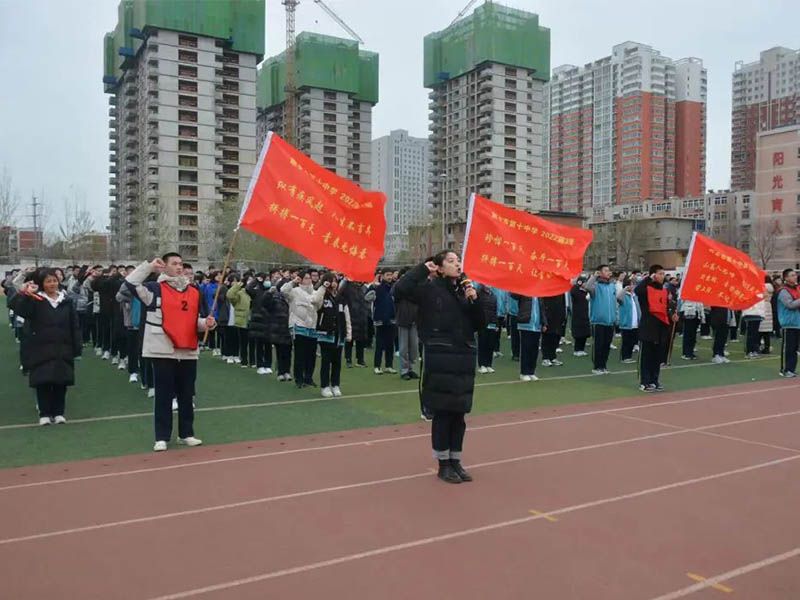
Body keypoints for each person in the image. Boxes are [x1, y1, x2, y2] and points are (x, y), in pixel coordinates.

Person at [394, 251, 484, 484]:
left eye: (458, 261)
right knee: (443, 414)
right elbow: (401, 289)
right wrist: (424, 269)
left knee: (459, 415)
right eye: (451, 261)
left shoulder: (463, 291)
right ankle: (443, 463)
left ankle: (456, 460)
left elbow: (480, 324)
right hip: (441, 357)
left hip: (463, 358)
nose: (457, 265)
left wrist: (475, 300)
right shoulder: (428, 289)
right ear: (440, 267)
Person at [124, 253, 216, 452]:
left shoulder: (193, 291)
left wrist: (206, 324)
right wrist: (149, 267)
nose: (179, 267)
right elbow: (130, 283)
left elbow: (195, 320)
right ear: (164, 267)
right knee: (163, 395)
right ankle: (162, 436)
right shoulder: (153, 289)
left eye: (181, 264)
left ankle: (186, 433)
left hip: (188, 349)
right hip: (163, 349)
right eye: (174, 264)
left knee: (186, 394)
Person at [11, 269, 82, 425]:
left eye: (54, 281)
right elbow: (18, 308)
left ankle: (58, 413)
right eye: (48, 281)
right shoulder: (36, 300)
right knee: (43, 381)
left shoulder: (66, 301)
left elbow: (74, 325)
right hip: (40, 347)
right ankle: (44, 414)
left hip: (63, 347)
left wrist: (77, 346)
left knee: (60, 381)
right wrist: (26, 294)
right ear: (42, 284)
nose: (52, 284)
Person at [635, 265, 678, 392]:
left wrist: (672, 315)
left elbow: (667, 307)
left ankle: (654, 380)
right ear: (653, 275)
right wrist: (648, 279)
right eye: (659, 273)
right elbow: (638, 291)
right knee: (646, 355)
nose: (662, 276)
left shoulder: (665, 291)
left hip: (661, 327)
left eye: (663, 273)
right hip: (648, 326)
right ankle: (644, 382)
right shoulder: (645, 289)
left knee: (657, 356)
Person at [282, 270, 326, 388]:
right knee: (300, 354)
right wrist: (293, 281)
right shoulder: (295, 291)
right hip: (298, 325)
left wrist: (322, 289)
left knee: (311, 355)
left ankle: (308, 377)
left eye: (310, 278)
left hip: (311, 326)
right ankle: (299, 379)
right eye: (306, 278)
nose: (308, 280)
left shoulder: (315, 293)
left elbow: (318, 304)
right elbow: (283, 290)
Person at [316, 274, 351, 398]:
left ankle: (335, 384)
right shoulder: (322, 296)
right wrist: (322, 288)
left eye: (335, 281)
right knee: (326, 361)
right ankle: (324, 386)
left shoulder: (341, 298)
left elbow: (346, 316)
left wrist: (348, 333)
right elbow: (315, 302)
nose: (333, 283)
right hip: (325, 333)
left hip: (339, 334)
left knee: (337, 362)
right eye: (330, 281)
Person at [584, 265, 619, 374]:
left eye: (609, 270)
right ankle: (596, 367)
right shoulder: (596, 286)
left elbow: (615, 302)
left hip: (610, 321)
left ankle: (603, 366)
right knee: (598, 344)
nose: (609, 272)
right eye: (606, 270)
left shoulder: (612, 286)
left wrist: (615, 317)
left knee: (606, 345)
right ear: (600, 272)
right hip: (598, 321)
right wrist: (594, 276)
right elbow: (587, 287)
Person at [392, 267, 420, 380]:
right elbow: (394, 293)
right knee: (403, 348)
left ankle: (412, 369)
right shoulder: (398, 288)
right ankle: (404, 370)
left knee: (414, 347)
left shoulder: (416, 287)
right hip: (403, 320)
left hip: (414, 320)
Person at [512, 293, 546, 382]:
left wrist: (544, 323)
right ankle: (524, 372)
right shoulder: (524, 291)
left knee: (534, 350)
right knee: (526, 348)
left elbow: (542, 309)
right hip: (526, 324)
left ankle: (531, 372)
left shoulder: (539, 294)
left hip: (537, 326)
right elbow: (513, 295)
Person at [370, 269, 397, 375]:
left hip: (392, 318)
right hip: (380, 319)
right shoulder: (377, 287)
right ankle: (377, 366)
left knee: (390, 344)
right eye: (387, 275)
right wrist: (372, 287)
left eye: (391, 274)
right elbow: (368, 298)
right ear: (382, 276)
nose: (390, 277)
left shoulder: (393, 287)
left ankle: (388, 366)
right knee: (380, 344)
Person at [776, 268, 800, 377]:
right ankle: (785, 369)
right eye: (792, 275)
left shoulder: (797, 289)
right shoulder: (783, 291)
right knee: (789, 348)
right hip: (788, 323)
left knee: (795, 348)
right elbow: (790, 305)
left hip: (797, 323)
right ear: (786, 278)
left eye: (795, 275)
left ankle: (791, 369)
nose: (795, 277)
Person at [475, 283, 499, 373]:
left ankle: (489, 364)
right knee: (482, 344)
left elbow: (495, 310)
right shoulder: (479, 294)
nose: (488, 285)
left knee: (490, 344)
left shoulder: (493, 296)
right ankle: (482, 365)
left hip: (492, 323)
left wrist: (496, 324)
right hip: (483, 323)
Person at [617, 277, 641, 363]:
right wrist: (625, 289)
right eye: (631, 284)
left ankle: (629, 356)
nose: (633, 286)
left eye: (633, 284)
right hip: (626, 323)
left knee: (632, 341)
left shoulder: (634, 296)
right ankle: (624, 357)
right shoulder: (624, 296)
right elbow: (618, 298)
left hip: (635, 323)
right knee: (626, 341)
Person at [540, 294, 566, 367]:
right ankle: (545, 358)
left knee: (556, 335)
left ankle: (553, 357)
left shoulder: (560, 289)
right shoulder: (546, 286)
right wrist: (543, 319)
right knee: (547, 335)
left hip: (558, 314)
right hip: (548, 313)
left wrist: (563, 316)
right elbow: (542, 302)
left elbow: (563, 302)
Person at [570, 276, 591, 357]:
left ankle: (582, 349)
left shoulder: (586, 292)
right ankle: (577, 349)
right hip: (577, 315)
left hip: (585, 315)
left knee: (585, 333)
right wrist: (577, 284)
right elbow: (573, 292)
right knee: (578, 333)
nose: (586, 284)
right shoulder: (575, 290)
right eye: (584, 282)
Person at [759, 277, 775, 355]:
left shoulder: (762, 287)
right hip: (768, 306)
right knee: (767, 332)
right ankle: (767, 347)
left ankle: (759, 346)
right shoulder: (771, 288)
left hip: (762, 307)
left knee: (760, 330)